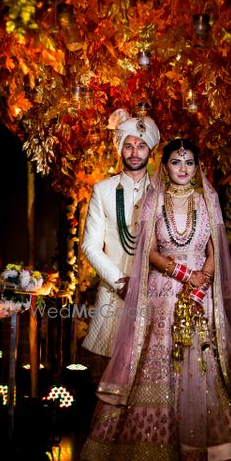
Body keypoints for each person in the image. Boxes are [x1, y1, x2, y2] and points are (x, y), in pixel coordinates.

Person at [74, 138, 231, 461]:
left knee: (207, 368)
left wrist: (204, 280)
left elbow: (215, 250)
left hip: (201, 296)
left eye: (190, 162)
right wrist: (183, 275)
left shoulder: (207, 200)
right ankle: (150, 458)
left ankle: (215, 457)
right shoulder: (154, 200)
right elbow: (148, 251)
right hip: (162, 295)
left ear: (198, 168)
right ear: (164, 166)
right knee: (159, 365)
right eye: (176, 162)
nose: (183, 168)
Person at [80, 107, 160, 380]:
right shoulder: (102, 190)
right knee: (109, 376)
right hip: (116, 293)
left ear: (150, 150)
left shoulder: (163, 193)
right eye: (128, 145)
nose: (134, 152)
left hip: (155, 290)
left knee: (151, 371)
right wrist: (121, 282)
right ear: (120, 149)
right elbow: (89, 245)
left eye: (141, 145)